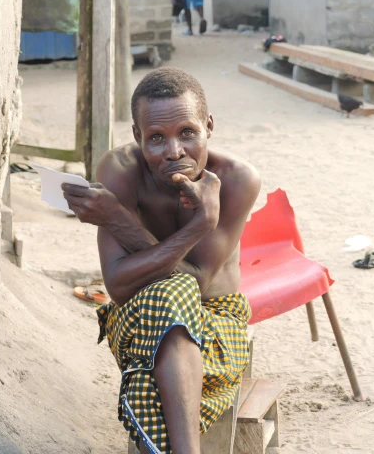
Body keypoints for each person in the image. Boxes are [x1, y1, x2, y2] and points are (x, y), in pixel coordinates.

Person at [62, 67, 261, 453]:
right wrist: (197, 227)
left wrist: (120, 220)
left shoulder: (237, 179)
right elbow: (118, 286)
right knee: (167, 297)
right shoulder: (119, 172)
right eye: (156, 138)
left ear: (208, 126)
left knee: (176, 293)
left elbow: (199, 281)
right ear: (137, 138)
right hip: (136, 313)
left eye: (188, 132)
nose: (174, 152)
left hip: (216, 324)